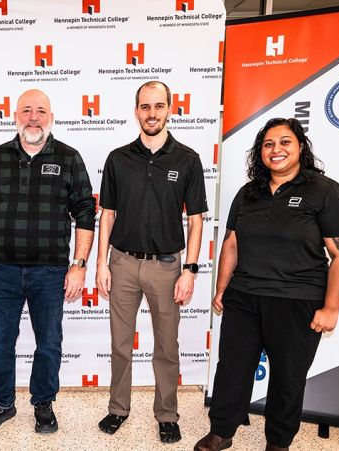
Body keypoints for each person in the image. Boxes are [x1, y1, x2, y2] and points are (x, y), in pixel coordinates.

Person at [194, 118, 339, 451]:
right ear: (260, 152)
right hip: (245, 296)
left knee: (287, 376)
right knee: (232, 369)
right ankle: (222, 431)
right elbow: (231, 243)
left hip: (298, 299)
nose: (276, 149)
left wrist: (331, 308)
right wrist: (222, 288)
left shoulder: (324, 191)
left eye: (285, 142)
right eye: (268, 144)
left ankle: (279, 442)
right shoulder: (248, 193)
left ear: (300, 147)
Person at [0, 88, 96, 433]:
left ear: (51, 118)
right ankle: (2, 403)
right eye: (26, 110)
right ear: (15, 117)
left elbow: (85, 212)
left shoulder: (69, 158)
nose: (34, 117)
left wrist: (79, 265)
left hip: (51, 271)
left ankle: (43, 403)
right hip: (2, 270)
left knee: (49, 343)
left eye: (41, 111)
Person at [95, 81, 208, 444]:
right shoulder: (118, 158)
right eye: (145, 107)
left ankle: (167, 414)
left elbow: (196, 221)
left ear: (170, 110)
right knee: (120, 344)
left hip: (167, 267)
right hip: (122, 264)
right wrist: (101, 264)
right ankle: (118, 408)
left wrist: (190, 270)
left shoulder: (187, 159)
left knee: (166, 347)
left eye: (159, 106)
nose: (152, 113)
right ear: (136, 112)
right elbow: (107, 215)